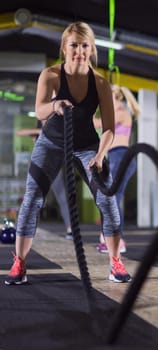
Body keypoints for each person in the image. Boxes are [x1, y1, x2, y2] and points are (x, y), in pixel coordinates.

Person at [5, 21, 131, 285]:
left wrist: (99, 156)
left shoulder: (100, 84)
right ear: (64, 47)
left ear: (92, 48)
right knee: (32, 200)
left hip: (87, 146)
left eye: (85, 46)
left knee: (107, 202)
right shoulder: (50, 75)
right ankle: (19, 263)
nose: (80, 51)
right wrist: (55, 104)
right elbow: (39, 111)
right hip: (51, 142)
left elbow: (109, 129)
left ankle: (115, 262)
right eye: (74, 45)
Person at [93, 85, 141, 254]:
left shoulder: (121, 112)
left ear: (117, 97)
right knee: (110, 198)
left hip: (121, 157)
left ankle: (118, 241)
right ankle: (109, 240)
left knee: (113, 198)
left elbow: (99, 123)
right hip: (115, 157)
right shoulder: (116, 112)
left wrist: (82, 112)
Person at [16, 123, 73, 239]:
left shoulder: (57, 127)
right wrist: (40, 132)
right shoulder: (38, 132)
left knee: (62, 198)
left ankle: (70, 229)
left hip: (54, 167)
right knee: (32, 198)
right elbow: (19, 132)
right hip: (39, 168)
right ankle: (25, 229)